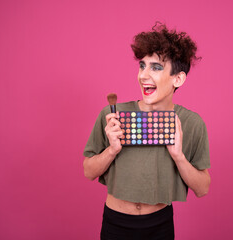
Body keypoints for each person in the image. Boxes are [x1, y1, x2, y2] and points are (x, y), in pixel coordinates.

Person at [83, 23, 211, 240]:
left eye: (156, 67)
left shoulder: (192, 123)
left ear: (177, 79)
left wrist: (178, 156)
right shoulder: (112, 115)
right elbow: (88, 171)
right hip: (116, 222)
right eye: (142, 66)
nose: (143, 75)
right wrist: (112, 150)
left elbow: (202, 188)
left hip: (159, 225)